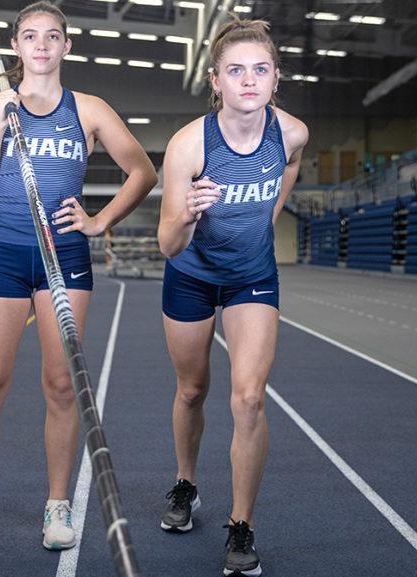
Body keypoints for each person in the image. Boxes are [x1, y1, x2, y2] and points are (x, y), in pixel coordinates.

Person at [0, 0, 157, 554]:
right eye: (30, 35)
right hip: (4, 256)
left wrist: (100, 220)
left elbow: (143, 169)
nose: (41, 44)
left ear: (67, 46)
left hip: (64, 257)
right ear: (16, 46)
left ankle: (57, 503)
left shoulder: (88, 109)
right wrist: (1, 122)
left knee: (63, 386)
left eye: (53, 36)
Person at [156, 17, 308, 577]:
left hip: (252, 276)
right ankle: (186, 483)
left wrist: (270, 212)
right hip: (191, 272)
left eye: (261, 70)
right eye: (236, 71)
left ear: (275, 79)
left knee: (248, 399)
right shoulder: (188, 145)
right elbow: (167, 244)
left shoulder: (290, 133)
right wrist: (190, 216)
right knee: (192, 390)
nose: (250, 80)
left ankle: (241, 524)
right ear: (215, 81)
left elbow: (289, 165)